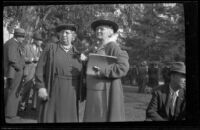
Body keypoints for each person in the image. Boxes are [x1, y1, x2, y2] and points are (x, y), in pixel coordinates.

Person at [83, 17, 129, 122]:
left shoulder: (113, 47)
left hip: (105, 93)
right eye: (97, 29)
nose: (98, 31)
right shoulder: (95, 47)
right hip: (93, 91)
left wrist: (103, 71)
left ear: (110, 32)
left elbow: (123, 67)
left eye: (102, 29)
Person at [35, 24, 82, 123]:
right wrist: (41, 87)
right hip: (53, 89)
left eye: (67, 33)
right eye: (62, 33)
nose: (64, 35)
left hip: (71, 93)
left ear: (73, 36)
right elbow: (40, 68)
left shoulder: (78, 54)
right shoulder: (50, 48)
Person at [4, 28, 26, 120]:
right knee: (13, 92)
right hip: (14, 71)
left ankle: (10, 112)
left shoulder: (13, 43)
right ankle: (10, 114)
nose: (23, 39)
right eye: (22, 37)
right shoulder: (13, 44)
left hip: (14, 71)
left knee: (12, 91)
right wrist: (21, 68)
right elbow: (12, 59)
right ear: (18, 36)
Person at [20, 32, 44, 111]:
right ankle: (22, 105)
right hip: (29, 71)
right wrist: (32, 59)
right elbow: (22, 58)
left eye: (41, 40)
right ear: (35, 40)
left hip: (37, 72)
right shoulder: (27, 47)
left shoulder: (40, 49)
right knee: (26, 88)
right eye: (40, 40)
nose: (41, 42)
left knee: (35, 89)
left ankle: (33, 106)